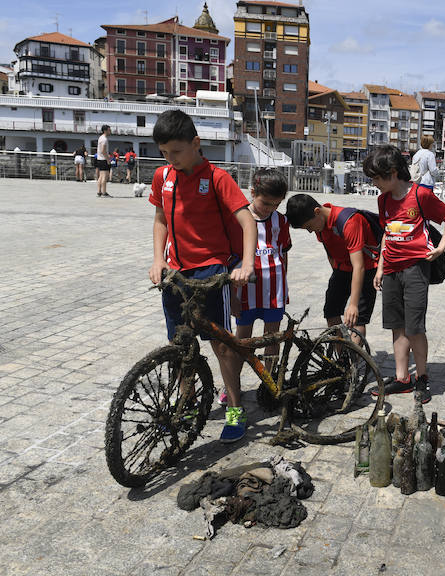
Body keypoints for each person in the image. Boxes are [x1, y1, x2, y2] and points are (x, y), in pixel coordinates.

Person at [147, 109, 257, 443]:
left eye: (176, 152)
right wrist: (157, 260)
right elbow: (161, 220)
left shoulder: (218, 178)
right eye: (164, 153)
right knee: (181, 346)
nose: (170, 159)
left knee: (222, 347)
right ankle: (187, 404)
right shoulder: (162, 177)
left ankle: (235, 411)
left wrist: (247, 264)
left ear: (196, 144)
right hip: (176, 274)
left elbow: (247, 220)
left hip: (211, 271)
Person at [366, 144, 445, 404]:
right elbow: (386, 232)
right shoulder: (383, 199)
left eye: (376, 177)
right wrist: (381, 266)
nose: (374, 183)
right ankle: (402, 377)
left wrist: (440, 248)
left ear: (393, 173)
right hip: (391, 269)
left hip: (416, 268)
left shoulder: (420, 196)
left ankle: (422, 378)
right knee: (396, 325)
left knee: (415, 327)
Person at [228, 171, 291, 406]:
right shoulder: (238, 219)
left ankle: (269, 381)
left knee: (271, 337)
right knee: (240, 341)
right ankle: (232, 384)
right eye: (265, 203)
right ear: (252, 193)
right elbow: (230, 259)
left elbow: (283, 253)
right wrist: (232, 295)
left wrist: (285, 286)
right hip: (244, 291)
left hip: (273, 290)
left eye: (276, 204)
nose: (270, 208)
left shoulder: (280, 221)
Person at [284, 193, 379, 346]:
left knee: (357, 319)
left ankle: (353, 363)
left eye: (309, 227)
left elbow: (359, 266)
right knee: (331, 311)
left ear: (317, 212)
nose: (310, 231)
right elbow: (330, 252)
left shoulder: (349, 222)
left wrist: (353, 304)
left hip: (365, 269)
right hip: (342, 268)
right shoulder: (319, 224)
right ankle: (342, 362)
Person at [96, 125, 111, 197]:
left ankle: (99, 191)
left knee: (101, 176)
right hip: (103, 159)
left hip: (99, 159)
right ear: (105, 130)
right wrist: (108, 159)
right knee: (105, 176)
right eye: (109, 130)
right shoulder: (104, 139)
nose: (110, 131)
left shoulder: (100, 138)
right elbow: (103, 151)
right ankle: (104, 192)